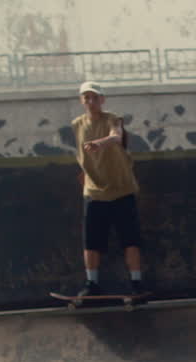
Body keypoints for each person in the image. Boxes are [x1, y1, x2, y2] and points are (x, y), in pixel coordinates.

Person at [71, 81, 145, 297]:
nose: (91, 101)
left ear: (102, 100)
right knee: (91, 241)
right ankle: (91, 284)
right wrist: (85, 176)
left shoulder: (112, 119)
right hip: (94, 193)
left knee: (130, 240)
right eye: (86, 97)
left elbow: (116, 136)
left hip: (121, 189)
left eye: (95, 97)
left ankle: (136, 283)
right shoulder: (77, 124)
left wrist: (100, 143)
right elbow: (82, 155)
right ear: (81, 101)